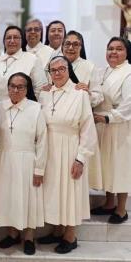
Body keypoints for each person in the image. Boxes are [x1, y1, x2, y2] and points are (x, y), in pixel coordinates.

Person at [37, 56, 97, 254]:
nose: (57, 73)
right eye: (53, 70)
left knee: (70, 192)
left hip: (71, 147)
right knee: (55, 191)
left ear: (69, 70)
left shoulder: (79, 94)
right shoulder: (45, 94)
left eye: (62, 69)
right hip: (50, 149)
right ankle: (57, 231)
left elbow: (88, 128)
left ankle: (70, 236)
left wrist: (81, 157)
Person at [0, 72, 47, 255]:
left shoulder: (35, 108)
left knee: (28, 199)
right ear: (7, 88)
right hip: (5, 160)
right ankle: (12, 234)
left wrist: (39, 168)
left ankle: (29, 237)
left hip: (27, 161)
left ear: (27, 89)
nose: (16, 90)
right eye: (12, 86)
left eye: (21, 87)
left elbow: (42, 141)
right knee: (10, 198)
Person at [91, 37, 131, 224]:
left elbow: (128, 104)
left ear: (126, 52)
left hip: (120, 126)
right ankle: (108, 203)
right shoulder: (103, 71)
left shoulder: (129, 72)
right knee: (108, 165)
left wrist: (108, 117)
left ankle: (122, 209)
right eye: (110, 49)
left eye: (119, 49)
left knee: (121, 167)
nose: (113, 52)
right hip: (103, 124)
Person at [61, 31, 104, 190]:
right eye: (67, 44)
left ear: (81, 46)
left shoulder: (89, 67)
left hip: (80, 125)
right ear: (62, 46)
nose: (71, 47)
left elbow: (99, 97)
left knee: (78, 171)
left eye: (75, 44)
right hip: (59, 124)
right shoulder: (54, 65)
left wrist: (88, 92)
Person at [0, 25, 47, 102]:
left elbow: (40, 89)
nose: (12, 41)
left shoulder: (32, 59)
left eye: (16, 37)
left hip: (22, 111)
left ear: (22, 40)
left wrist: (31, 108)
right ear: (4, 41)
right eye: (8, 38)